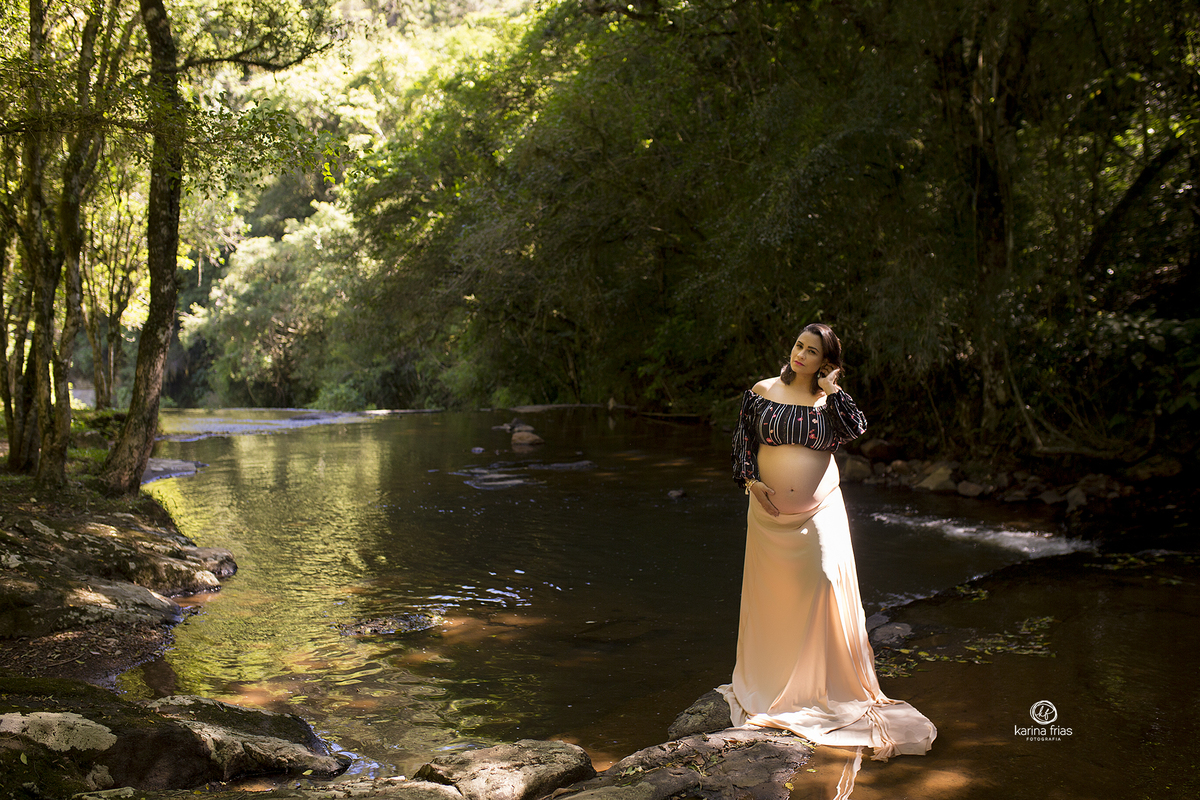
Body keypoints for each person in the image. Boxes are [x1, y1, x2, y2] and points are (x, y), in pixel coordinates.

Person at [718, 322, 936, 769]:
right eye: (799, 345)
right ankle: (772, 682)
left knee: (821, 584)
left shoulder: (829, 404)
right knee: (773, 598)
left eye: (812, 351)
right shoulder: (761, 391)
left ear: (826, 362)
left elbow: (856, 428)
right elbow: (743, 441)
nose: (800, 355)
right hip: (767, 516)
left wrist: (832, 390)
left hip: (819, 514)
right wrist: (751, 482)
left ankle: (820, 686)